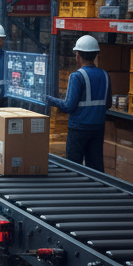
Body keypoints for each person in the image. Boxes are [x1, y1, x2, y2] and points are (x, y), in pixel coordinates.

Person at [47, 35, 112, 172]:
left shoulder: (77, 76)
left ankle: (74, 193)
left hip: (78, 129)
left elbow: (68, 106)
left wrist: (48, 99)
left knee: (73, 168)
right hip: (97, 128)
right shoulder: (105, 75)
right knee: (96, 168)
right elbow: (108, 104)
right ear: (95, 55)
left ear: (78, 55)